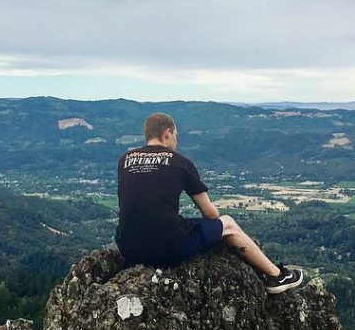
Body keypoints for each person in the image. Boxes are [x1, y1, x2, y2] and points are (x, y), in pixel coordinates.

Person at [115, 112, 304, 294]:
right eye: (176, 136)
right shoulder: (180, 163)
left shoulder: (124, 160)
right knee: (228, 223)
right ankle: (277, 276)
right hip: (168, 248)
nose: (176, 141)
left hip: (128, 248)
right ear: (168, 132)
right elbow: (211, 214)